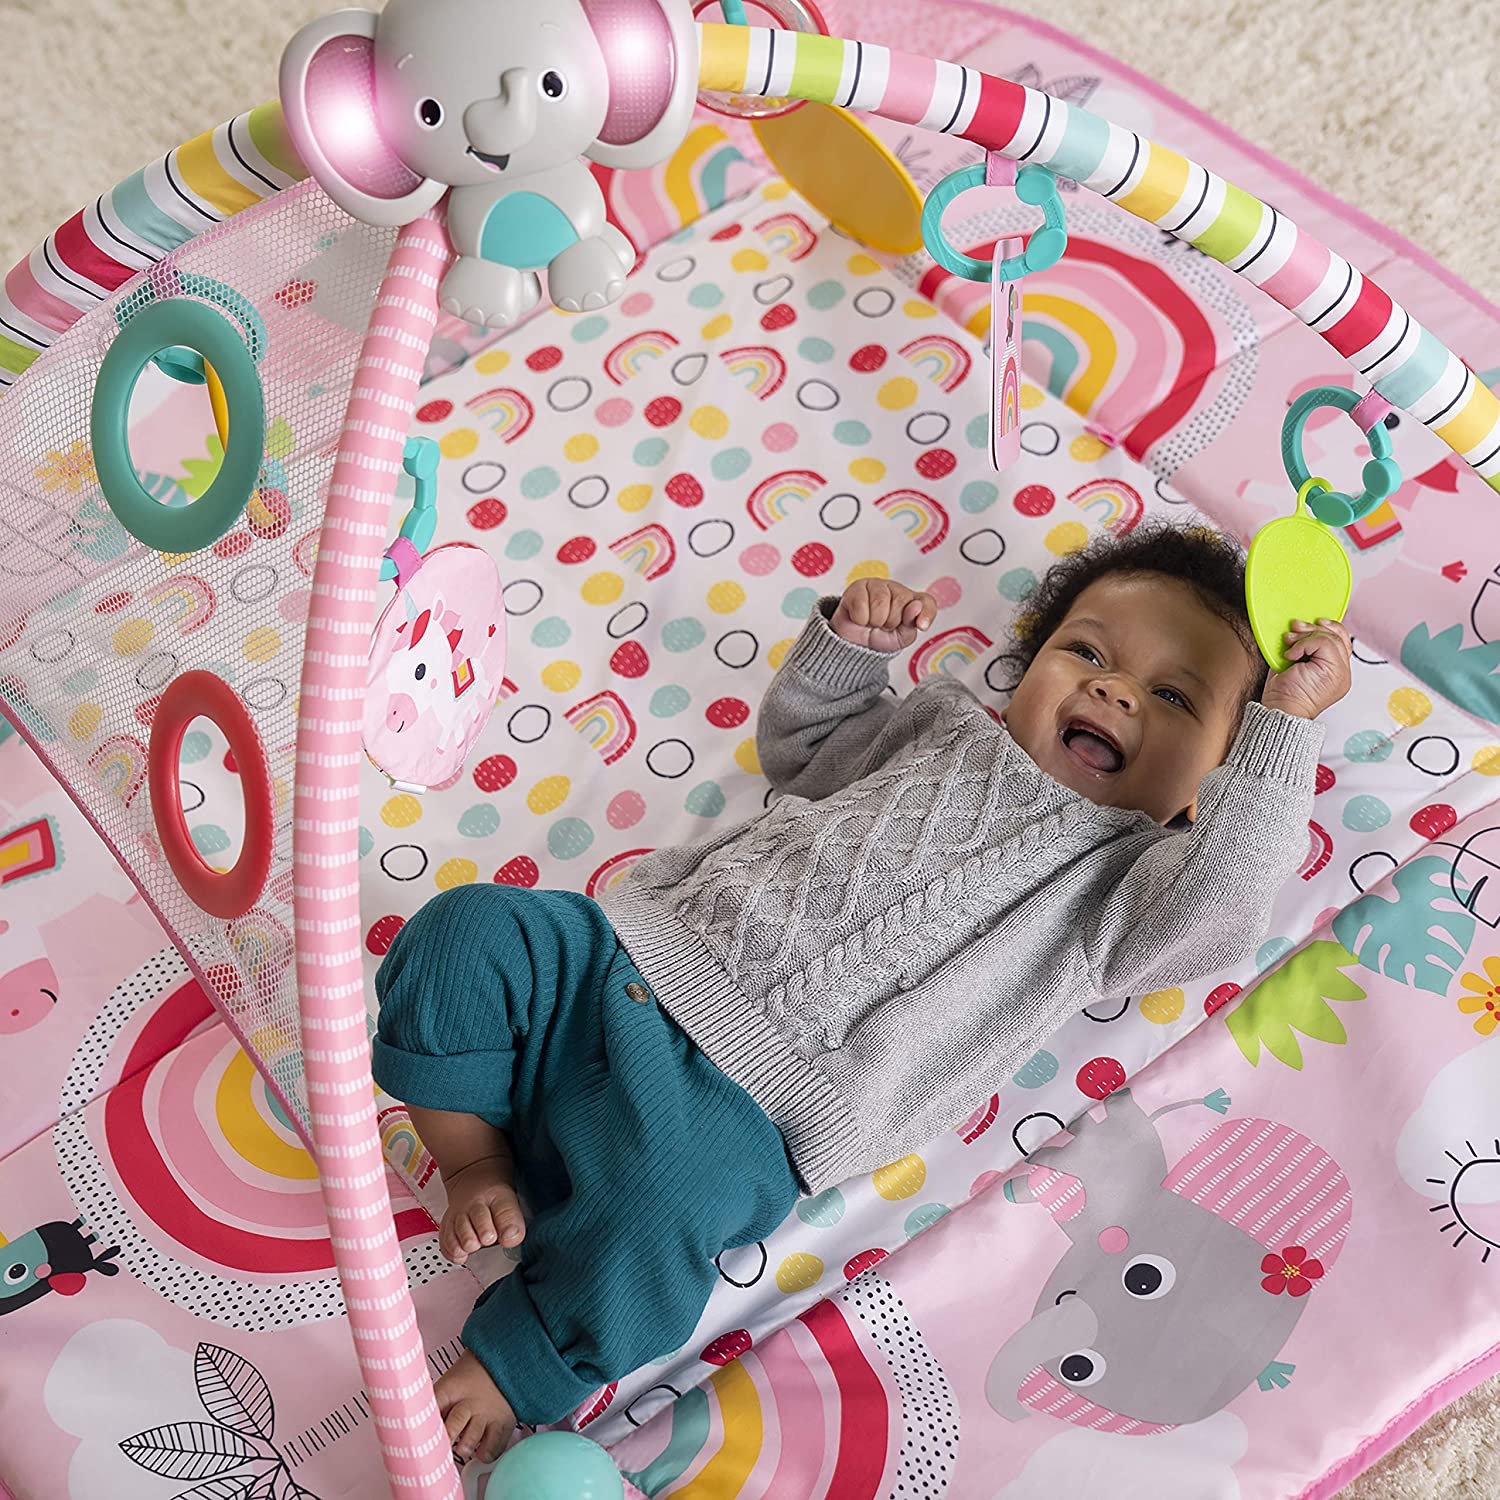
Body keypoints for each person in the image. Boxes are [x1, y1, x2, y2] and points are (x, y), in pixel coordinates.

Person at [370, 523, 1352, 1462]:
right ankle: (474, 1159)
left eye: (1174, 698)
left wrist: (1285, 731)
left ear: (1215, 784)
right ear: (1029, 666)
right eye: (1086, 650)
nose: (1114, 689)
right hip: (622, 959)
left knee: (658, 1214)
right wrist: (847, 653)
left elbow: (1227, 903)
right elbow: (806, 751)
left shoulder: (1127, 886)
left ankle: (519, 1361)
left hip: (744, 1110)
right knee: (469, 932)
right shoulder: (938, 725)